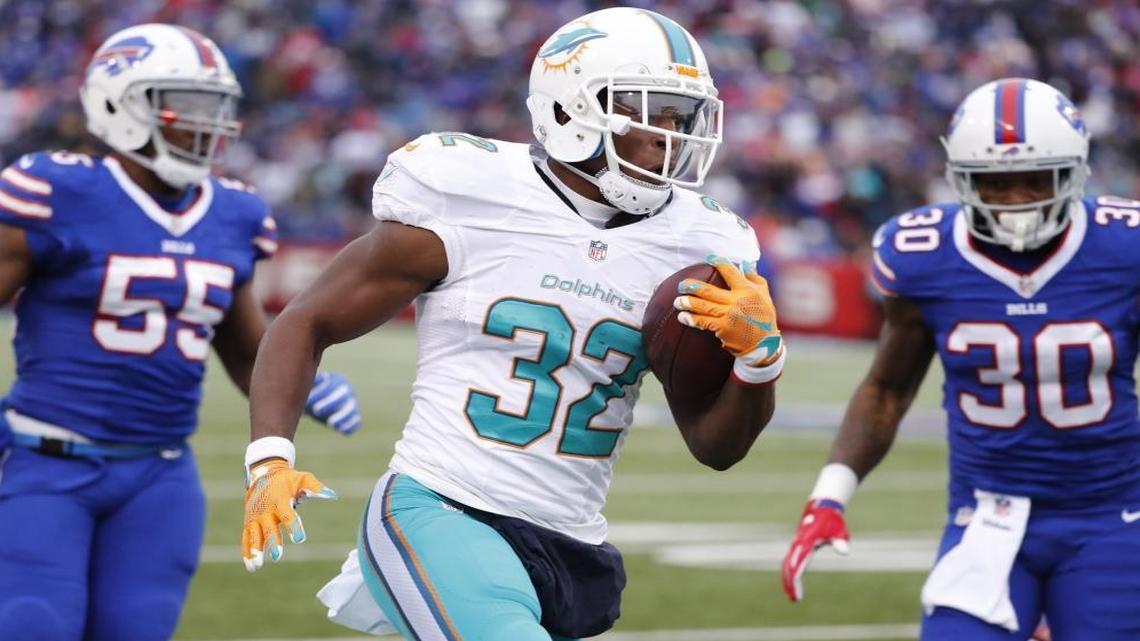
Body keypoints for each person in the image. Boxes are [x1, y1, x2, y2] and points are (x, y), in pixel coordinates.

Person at [239, 7, 784, 641]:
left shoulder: (700, 243)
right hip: (443, 507)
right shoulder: (467, 196)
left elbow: (717, 448)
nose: (668, 135)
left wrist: (760, 361)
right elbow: (306, 320)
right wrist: (269, 460)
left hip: (572, 542)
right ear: (570, 109)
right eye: (648, 111)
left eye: (678, 117)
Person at [0, 23, 361, 641]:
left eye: (217, 108)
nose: (208, 125)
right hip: (43, 462)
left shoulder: (233, 212)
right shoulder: (55, 189)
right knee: (34, 626)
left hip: (158, 477)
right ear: (121, 104)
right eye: (187, 106)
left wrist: (303, 383)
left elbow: (246, 350)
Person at [781, 77, 1140, 641]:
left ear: (1074, 173)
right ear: (962, 181)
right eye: (996, 183)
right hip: (986, 520)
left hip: (1112, 518)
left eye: (1034, 179)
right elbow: (887, 389)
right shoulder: (924, 255)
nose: (1018, 199)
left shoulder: (1124, 248)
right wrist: (828, 496)